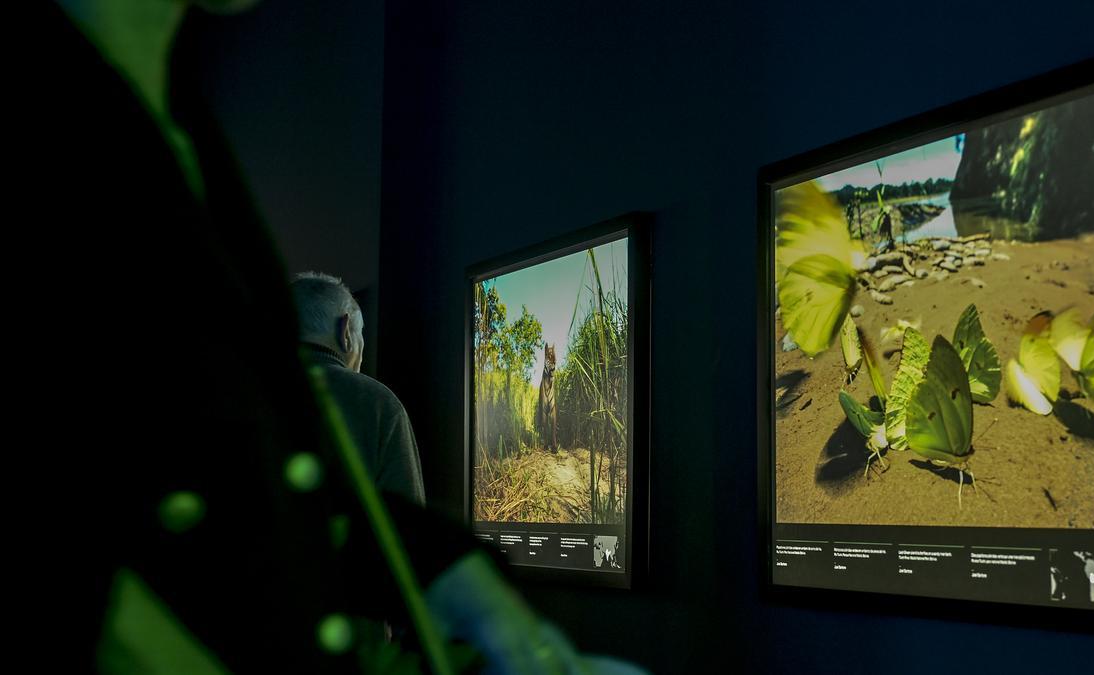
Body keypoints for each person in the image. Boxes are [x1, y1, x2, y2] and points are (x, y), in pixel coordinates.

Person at [35, 1, 640, 673]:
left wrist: (450, 569)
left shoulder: (181, 116)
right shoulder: (375, 401)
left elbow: (249, 507)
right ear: (350, 328)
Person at [291, 272, 426, 505]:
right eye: (360, 335)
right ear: (345, 332)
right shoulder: (377, 404)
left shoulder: (236, 396)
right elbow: (409, 528)